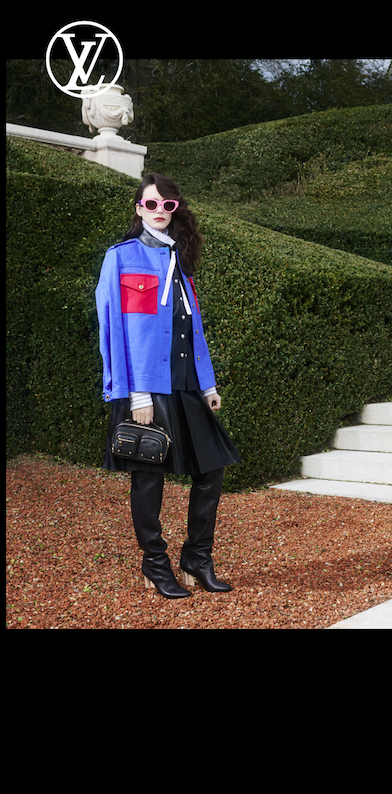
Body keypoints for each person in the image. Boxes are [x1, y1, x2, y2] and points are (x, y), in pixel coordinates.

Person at [95, 173, 240, 599]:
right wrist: (134, 394)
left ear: (176, 210)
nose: (160, 211)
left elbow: (193, 330)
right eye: (151, 204)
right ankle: (155, 563)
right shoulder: (121, 257)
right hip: (146, 390)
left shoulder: (179, 261)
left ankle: (197, 558)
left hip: (186, 385)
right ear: (139, 208)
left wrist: (207, 385)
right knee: (149, 479)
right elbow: (113, 331)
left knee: (211, 469)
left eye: (168, 205)